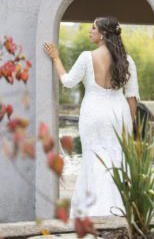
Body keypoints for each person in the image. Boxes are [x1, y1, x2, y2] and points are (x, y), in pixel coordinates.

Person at [43, 16, 140, 218]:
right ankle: (119, 209)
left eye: (93, 28)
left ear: (103, 34)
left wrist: (55, 58)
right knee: (118, 158)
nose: (90, 31)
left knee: (92, 159)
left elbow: (68, 81)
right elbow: (132, 97)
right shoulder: (127, 60)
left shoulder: (87, 57)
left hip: (93, 113)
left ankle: (92, 210)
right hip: (118, 114)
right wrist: (131, 123)